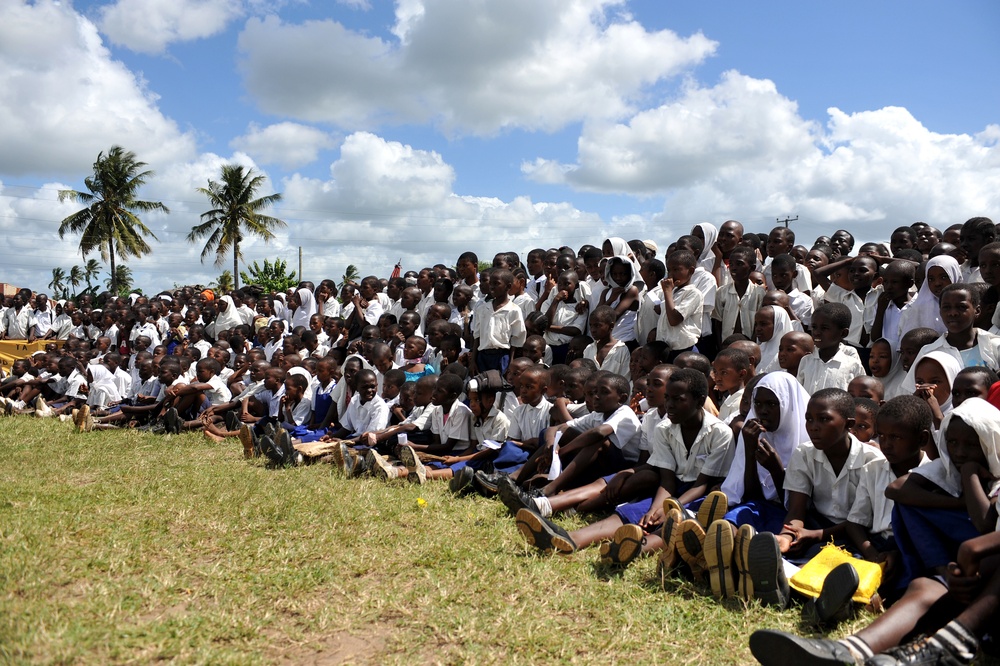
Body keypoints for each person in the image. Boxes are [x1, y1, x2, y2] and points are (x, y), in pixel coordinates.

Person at [749, 397, 1000, 666]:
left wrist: (971, 475)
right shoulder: (944, 472)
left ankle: (849, 604)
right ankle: (847, 651)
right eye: (952, 443)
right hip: (946, 572)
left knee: (866, 564)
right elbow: (897, 490)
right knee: (916, 574)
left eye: (970, 445)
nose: (959, 453)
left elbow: (987, 524)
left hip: (982, 576)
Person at [741, 389, 886, 608]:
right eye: (809, 419)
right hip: (815, 524)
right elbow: (797, 511)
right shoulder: (804, 453)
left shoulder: (872, 460)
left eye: (824, 419)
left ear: (848, 424)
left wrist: (817, 535)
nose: (813, 426)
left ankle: (800, 588)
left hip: (855, 533)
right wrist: (788, 535)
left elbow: (863, 520)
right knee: (781, 539)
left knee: (847, 561)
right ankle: (783, 578)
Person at [797, 303, 866, 393]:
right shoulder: (806, 361)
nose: (817, 332)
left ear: (843, 333)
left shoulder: (853, 365)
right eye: (814, 327)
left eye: (824, 328)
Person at [469, 269, 526, 375]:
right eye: (490, 283)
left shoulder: (513, 310)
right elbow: (477, 336)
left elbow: (516, 340)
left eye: (496, 284)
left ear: (508, 287)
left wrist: (511, 362)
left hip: (502, 357)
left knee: (500, 388)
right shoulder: (483, 309)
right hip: (482, 356)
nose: (492, 287)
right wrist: (473, 361)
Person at [656, 250, 703, 362]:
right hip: (667, 349)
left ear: (691, 270)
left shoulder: (693, 293)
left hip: (684, 350)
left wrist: (667, 292)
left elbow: (674, 320)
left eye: (676, 270)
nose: (671, 274)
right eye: (669, 270)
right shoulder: (672, 292)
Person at [583, 306, 630, 377]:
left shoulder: (621, 350)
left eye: (597, 325)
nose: (592, 330)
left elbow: (625, 377)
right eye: (591, 325)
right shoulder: (589, 349)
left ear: (611, 326)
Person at [755, 305, 795, 374]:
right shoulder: (757, 351)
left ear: (779, 325)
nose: (758, 328)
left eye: (763, 324)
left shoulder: (789, 355)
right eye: (756, 324)